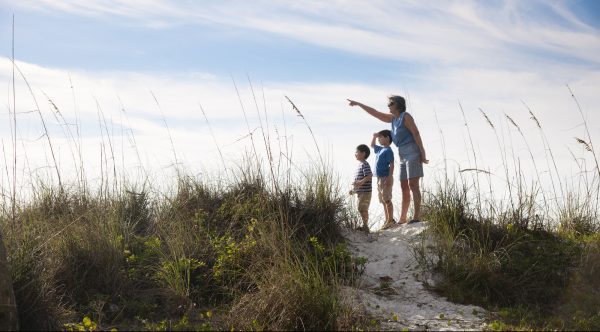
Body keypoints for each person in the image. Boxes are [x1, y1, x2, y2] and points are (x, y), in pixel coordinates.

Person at [348, 95, 428, 224]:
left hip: (412, 151)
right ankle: (403, 218)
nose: (388, 106)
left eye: (391, 103)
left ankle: (417, 216)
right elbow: (375, 113)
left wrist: (422, 152)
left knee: (413, 185)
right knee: (404, 186)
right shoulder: (392, 119)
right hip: (402, 154)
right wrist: (359, 103)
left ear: (398, 105)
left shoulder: (405, 116)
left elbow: (416, 133)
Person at [371, 130, 396, 230]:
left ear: (387, 138)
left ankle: (390, 220)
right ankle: (387, 220)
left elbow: (392, 164)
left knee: (387, 199)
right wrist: (374, 136)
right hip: (379, 178)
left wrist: (390, 177)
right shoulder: (380, 149)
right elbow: (372, 145)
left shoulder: (388, 150)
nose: (379, 140)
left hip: (386, 177)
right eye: (378, 138)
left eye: (380, 137)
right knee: (383, 200)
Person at [351, 144, 373, 233]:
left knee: (363, 209)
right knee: (361, 209)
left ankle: (365, 226)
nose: (355, 154)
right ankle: (365, 225)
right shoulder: (359, 165)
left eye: (357, 152)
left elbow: (369, 175)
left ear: (363, 153)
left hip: (365, 192)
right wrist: (353, 190)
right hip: (360, 193)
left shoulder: (365, 164)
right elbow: (358, 181)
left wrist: (360, 182)